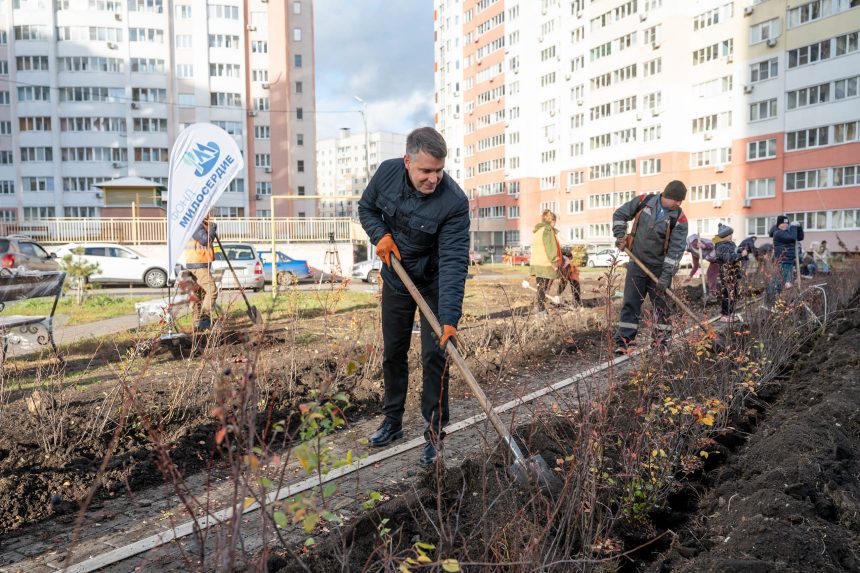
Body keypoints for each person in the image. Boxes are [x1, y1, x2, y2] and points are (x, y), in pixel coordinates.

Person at [357, 127, 470, 466]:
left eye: (439, 170)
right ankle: (392, 421)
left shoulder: (454, 202)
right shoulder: (387, 173)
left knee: (436, 357)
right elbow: (366, 208)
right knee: (393, 352)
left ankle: (435, 434)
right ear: (407, 162)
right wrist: (381, 235)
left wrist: (449, 319)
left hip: (433, 284)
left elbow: (453, 262)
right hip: (396, 279)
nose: (434, 178)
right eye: (426, 171)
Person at [612, 181, 689, 354]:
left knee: (662, 307)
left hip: (659, 269)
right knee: (631, 303)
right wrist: (620, 235)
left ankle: (661, 343)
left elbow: (676, 250)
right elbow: (620, 214)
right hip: (637, 264)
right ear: (666, 195)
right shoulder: (643, 201)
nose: (679, 204)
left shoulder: (679, 219)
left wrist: (666, 276)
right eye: (677, 200)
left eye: (680, 201)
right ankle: (625, 342)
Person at [183, 214, 217, 331]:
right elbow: (204, 240)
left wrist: (210, 229)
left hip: (199, 262)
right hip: (198, 263)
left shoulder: (201, 224)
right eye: (207, 210)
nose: (210, 214)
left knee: (199, 295)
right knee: (212, 291)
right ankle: (204, 318)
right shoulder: (196, 224)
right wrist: (212, 230)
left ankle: (197, 325)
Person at [765, 215, 804, 307]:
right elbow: (792, 238)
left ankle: (778, 301)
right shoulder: (778, 233)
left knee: (783, 282)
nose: (785, 225)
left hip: (788, 261)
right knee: (777, 282)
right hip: (782, 261)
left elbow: (800, 237)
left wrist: (799, 227)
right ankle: (770, 302)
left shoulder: (787, 232)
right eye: (783, 223)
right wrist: (794, 227)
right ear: (778, 224)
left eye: (787, 223)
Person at [712, 224, 747, 322]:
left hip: (733, 273)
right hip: (727, 273)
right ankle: (725, 315)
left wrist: (740, 249)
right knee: (727, 294)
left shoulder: (730, 244)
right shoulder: (721, 246)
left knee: (733, 293)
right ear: (724, 236)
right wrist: (741, 255)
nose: (731, 236)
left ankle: (730, 313)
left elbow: (734, 250)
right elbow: (729, 258)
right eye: (729, 234)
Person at [529, 209, 561, 312]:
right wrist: (554, 261)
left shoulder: (539, 230)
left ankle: (540, 309)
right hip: (545, 263)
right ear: (552, 220)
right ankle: (542, 311)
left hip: (536, 263)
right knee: (543, 288)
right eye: (555, 221)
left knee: (540, 288)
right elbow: (550, 247)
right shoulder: (548, 230)